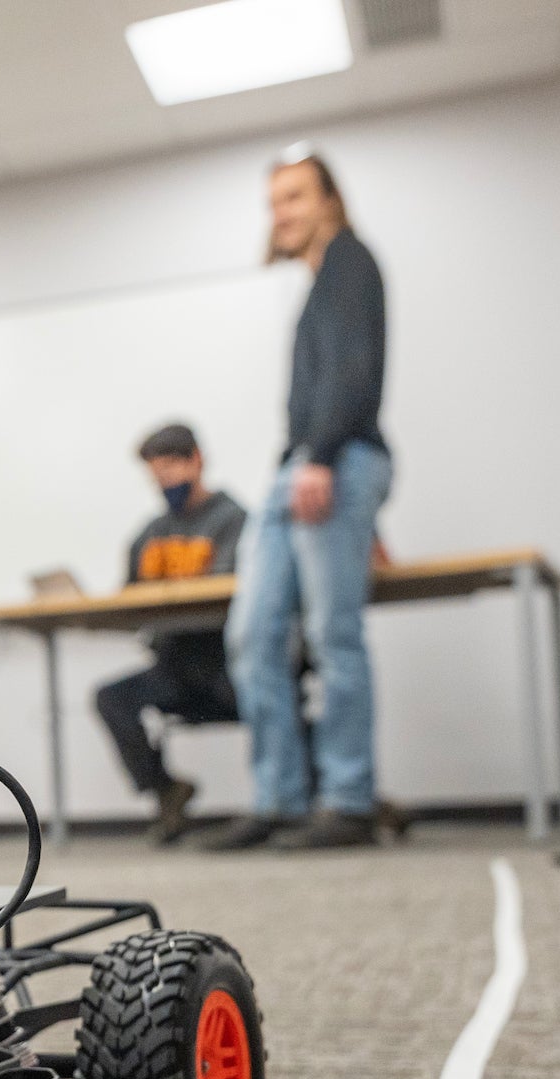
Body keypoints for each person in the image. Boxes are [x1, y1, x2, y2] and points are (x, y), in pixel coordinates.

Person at [204, 149, 394, 851]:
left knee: (332, 635)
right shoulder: (319, 280)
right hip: (299, 471)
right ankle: (279, 798)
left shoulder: (350, 260)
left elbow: (352, 372)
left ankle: (348, 799)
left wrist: (322, 461)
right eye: (274, 201)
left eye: (294, 197)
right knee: (252, 637)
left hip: (332, 462)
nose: (281, 212)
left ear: (330, 203)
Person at [93, 423, 247, 844]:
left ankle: (334, 795)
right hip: (175, 666)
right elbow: (129, 597)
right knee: (112, 697)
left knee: (273, 700)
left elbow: (225, 592)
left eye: (171, 467)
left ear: (196, 460)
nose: (164, 480)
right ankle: (166, 791)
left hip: (226, 665)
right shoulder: (152, 532)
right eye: (155, 472)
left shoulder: (233, 520)